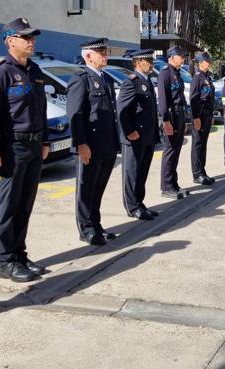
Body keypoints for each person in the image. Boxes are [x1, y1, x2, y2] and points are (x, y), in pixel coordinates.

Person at [0, 18, 48, 282]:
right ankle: (6, 261)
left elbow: (40, 109)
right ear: (10, 41)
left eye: (33, 37)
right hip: (11, 146)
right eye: (26, 37)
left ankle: (19, 254)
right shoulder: (0, 72)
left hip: (33, 145)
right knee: (8, 205)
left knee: (24, 203)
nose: (32, 42)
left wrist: (45, 141)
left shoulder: (35, 70)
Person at [67, 38, 120, 244]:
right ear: (88, 56)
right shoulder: (80, 79)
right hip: (89, 145)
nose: (105, 56)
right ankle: (86, 229)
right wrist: (81, 144)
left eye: (105, 52)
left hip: (106, 144)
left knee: (98, 187)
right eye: (101, 53)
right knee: (86, 188)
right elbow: (76, 115)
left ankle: (96, 224)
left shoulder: (105, 78)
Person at [116, 49, 160, 221]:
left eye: (151, 60)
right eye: (148, 60)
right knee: (132, 173)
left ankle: (140, 203)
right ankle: (132, 207)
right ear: (138, 62)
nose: (151, 63)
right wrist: (128, 131)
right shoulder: (131, 82)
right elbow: (122, 109)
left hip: (147, 136)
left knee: (142, 173)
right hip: (135, 137)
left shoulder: (147, 81)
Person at [158, 46, 189, 199]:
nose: (183, 58)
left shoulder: (177, 73)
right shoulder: (165, 74)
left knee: (176, 151)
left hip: (180, 114)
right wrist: (166, 121)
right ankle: (166, 186)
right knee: (170, 151)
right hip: (171, 116)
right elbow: (163, 100)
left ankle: (173, 183)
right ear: (171, 57)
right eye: (180, 56)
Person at [189, 52, 216, 185]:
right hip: (199, 115)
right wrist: (196, 117)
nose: (209, 63)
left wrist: (211, 115)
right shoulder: (197, 78)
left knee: (203, 144)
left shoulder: (207, 77)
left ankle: (202, 171)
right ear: (201, 63)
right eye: (207, 61)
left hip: (207, 114)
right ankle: (197, 174)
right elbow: (193, 100)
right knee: (197, 144)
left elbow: (209, 99)